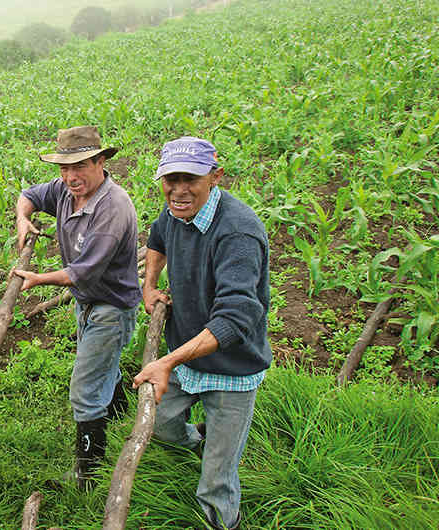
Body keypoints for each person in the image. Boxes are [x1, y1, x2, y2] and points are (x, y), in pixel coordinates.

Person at [133, 136, 271, 530]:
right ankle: (203, 439)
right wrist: (150, 285)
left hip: (231, 367)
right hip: (185, 353)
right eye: (170, 179)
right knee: (161, 427)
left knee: (216, 481)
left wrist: (167, 361)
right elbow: (157, 239)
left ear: (215, 176)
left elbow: (234, 319)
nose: (178, 190)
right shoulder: (175, 212)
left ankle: (222, 521)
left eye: (190, 178)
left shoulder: (238, 233)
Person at [13, 125, 141, 489]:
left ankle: (89, 473)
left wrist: (36, 279)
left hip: (110, 307)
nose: (70, 176)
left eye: (80, 166)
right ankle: (117, 415)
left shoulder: (112, 209)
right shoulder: (66, 191)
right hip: (88, 303)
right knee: (104, 367)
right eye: (64, 168)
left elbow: (82, 271)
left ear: (100, 161)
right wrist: (23, 217)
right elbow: (29, 195)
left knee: (84, 390)